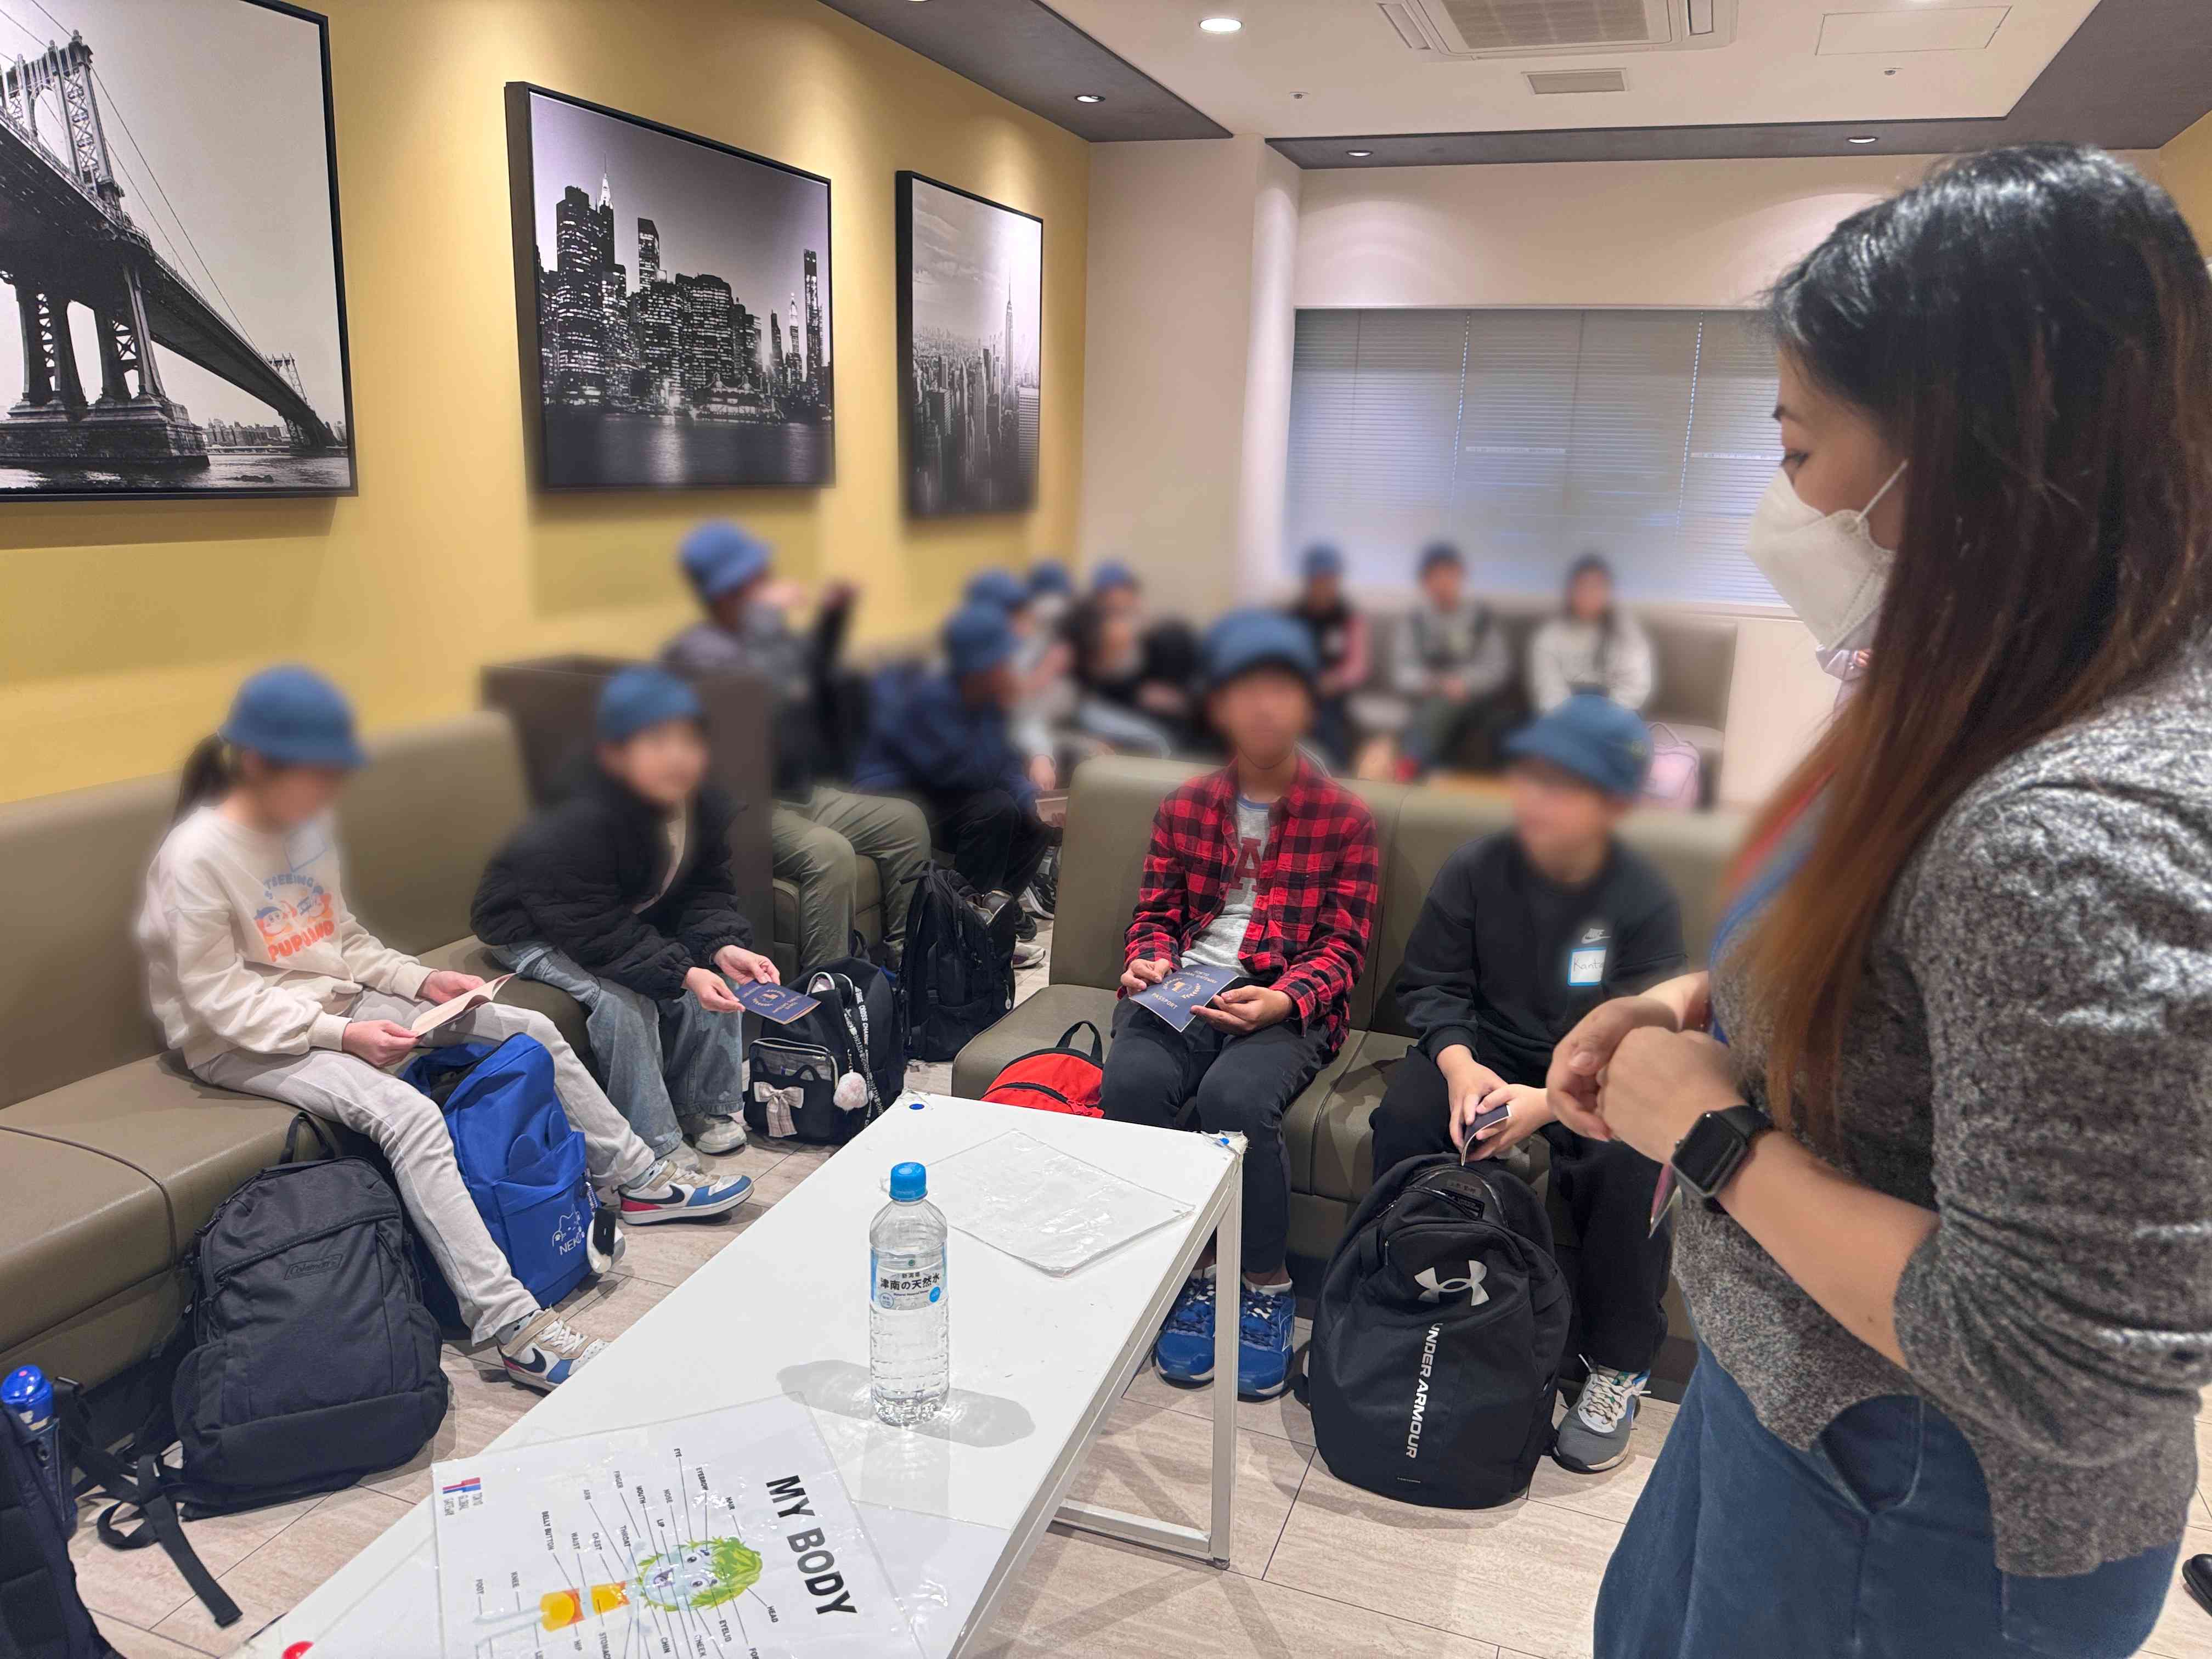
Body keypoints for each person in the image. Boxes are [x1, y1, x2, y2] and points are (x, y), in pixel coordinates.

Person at [1547, 146, 2212, 1658]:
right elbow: (1906, 973)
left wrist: (1713, 1135)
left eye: (1797, 450)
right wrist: (1688, 1004)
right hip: (1798, 1390)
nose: (1782, 503)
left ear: (1961, 462)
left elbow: (2061, 1367)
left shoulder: (2080, 832)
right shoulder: (1983, 687)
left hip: (1925, 1505)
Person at [140, 668, 752, 1393]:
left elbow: (346, 941)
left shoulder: (304, 829)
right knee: (409, 1115)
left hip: (333, 1003)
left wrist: (421, 983)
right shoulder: (195, 857)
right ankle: (511, 1327)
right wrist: (342, 1035)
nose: (329, 791)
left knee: (527, 1028)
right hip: (241, 1042)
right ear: (256, 763)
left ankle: (638, 1180)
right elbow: (217, 1002)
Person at [1369, 692, 1683, 1472]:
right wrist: (1458, 1064)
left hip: (1593, 1073)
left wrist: (1547, 1103)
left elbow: (1642, 1030)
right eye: (1531, 775)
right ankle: (1398, 1310)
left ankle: (1618, 1366)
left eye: (1564, 784)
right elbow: (1433, 984)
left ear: (1614, 804)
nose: (1536, 797)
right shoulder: (1477, 868)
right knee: (1405, 1122)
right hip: (1481, 1053)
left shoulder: (1643, 897)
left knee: (1632, 1161)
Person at [1100, 611, 1380, 1400]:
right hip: (1185, 987)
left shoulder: (1345, 818)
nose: (1262, 707)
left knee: (1234, 1098)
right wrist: (1148, 959)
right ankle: (1185, 1269)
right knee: (1131, 1085)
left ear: (1308, 705)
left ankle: (1263, 1282)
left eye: (1281, 690)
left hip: (1283, 999)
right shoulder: (1186, 805)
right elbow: (1156, 913)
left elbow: (1343, 946)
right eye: (1245, 691)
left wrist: (1284, 1000)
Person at [473, 666, 781, 1165]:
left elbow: (704, 891)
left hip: (615, 919)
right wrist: (683, 973)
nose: (677, 757)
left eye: (688, 740)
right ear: (613, 754)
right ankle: (651, 1144)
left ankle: (703, 1107)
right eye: (656, 742)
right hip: (536, 928)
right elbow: (589, 925)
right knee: (624, 1003)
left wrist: (722, 946)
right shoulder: (573, 818)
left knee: (719, 972)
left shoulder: (701, 805)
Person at [661, 522, 931, 974]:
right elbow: (766, 693)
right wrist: (767, 618)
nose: (768, 582)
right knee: (830, 853)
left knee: (905, 821)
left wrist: (832, 618)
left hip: (798, 791)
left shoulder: (758, 635)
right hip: (747, 808)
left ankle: (912, 967)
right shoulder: (696, 652)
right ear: (727, 590)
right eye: (756, 578)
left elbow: (808, 669)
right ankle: (827, 992)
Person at [853, 603, 1056, 962]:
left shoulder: (984, 696)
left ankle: (989, 922)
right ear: (978, 664)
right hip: (894, 796)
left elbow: (1004, 764)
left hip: (943, 790)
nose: (1010, 667)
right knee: (994, 809)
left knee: (1033, 818)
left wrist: (1033, 799)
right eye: (1002, 660)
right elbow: (962, 771)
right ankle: (962, 937)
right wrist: (1008, 703)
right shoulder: (929, 698)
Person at [1390, 540, 1520, 775]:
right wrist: (1433, 683)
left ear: (1461, 575)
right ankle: (1425, 771)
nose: (1443, 582)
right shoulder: (1414, 621)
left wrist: (1465, 683)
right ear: (1425, 581)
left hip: (1478, 699)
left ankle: (1411, 766)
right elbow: (1402, 672)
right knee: (1441, 705)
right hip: (1429, 698)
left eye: (1449, 574)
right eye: (1435, 575)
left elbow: (1498, 667)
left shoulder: (1481, 617)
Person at [1528, 552, 1654, 714]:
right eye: (1582, 587)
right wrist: (1571, 717)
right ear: (1570, 591)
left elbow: (1635, 686)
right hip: (1564, 716)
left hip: (1617, 714)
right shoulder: (1549, 635)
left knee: (1631, 731)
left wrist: (1606, 715)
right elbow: (1547, 689)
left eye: (1596, 587)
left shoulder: (1627, 633)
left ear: (1608, 592)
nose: (1588, 595)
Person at [1285, 543, 1368, 765]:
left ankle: (1337, 774)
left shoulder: (1349, 617)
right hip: (1300, 688)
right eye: (1318, 580)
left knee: (1331, 726)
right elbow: (1284, 659)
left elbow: (1358, 667)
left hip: (1334, 693)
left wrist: (1336, 680)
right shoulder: (1293, 616)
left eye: (1329, 580)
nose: (1323, 586)